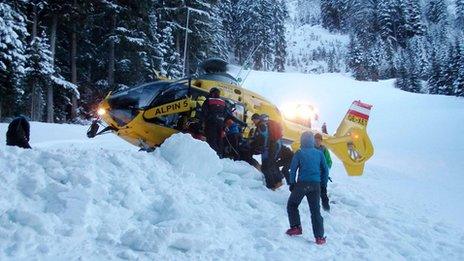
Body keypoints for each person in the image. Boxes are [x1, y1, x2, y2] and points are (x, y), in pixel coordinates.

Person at [286, 131, 328, 245]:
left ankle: (296, 227)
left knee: (292, 204)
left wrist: (292, 183)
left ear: (302, 140)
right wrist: (323, 184)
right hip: (316, 185)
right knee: (315, 211)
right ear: (312, 141)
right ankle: (319, 237)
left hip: (302, 184)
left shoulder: (299, 153)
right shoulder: (319, 154)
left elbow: (293, 169)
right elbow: (325, 170)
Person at [250, 113, 283, 190]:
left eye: (254, 120)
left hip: (268, 149)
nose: (253, 122)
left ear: (257, 119)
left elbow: (264, 138)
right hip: (272, 147)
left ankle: (271, 185)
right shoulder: (263, 125)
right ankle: (277, 181)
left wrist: (262, 147)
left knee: (266, 167)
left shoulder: (262, 126)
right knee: (270, 164)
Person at [314, 133, 332, 211]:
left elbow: (329, 162)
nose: (317, 142)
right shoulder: (310, 149)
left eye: (319, 140)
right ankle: (315, 208)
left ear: (321, 141)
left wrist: (325, 170)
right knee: (313, 193)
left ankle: (326, 208)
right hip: (313, 175)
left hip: (322, 175)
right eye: (316, 140)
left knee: (323, 192)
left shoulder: (324, 150)